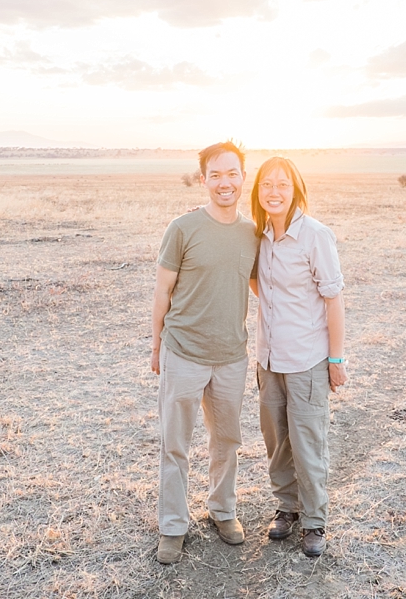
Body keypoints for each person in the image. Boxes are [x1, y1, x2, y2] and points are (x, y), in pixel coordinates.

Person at [150, 141, 259, 564]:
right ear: (203, 180)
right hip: (184, 352)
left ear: (242, 178)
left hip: (231, 355)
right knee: (175, 443)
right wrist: (156, 345)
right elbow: (162, 290)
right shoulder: (182, 228)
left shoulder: (252, 232)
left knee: (226, 440)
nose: (224, 182)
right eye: (215, 175)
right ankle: (173, 526)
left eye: (232, 173)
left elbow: (256, 285)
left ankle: (223, 510)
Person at [249, 156, 347, 557]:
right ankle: (286, 509)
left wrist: (336, 360)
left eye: (282, 184)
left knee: (308, 442)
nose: (274, 191)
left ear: (296, 189)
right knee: (277, 442)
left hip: (307, 360)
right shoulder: (256, 235)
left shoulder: (315, 236)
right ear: (258, 192)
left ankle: (314, 521)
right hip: (268, 360)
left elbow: (333, 298)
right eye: (266, 184)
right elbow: (256, 283)